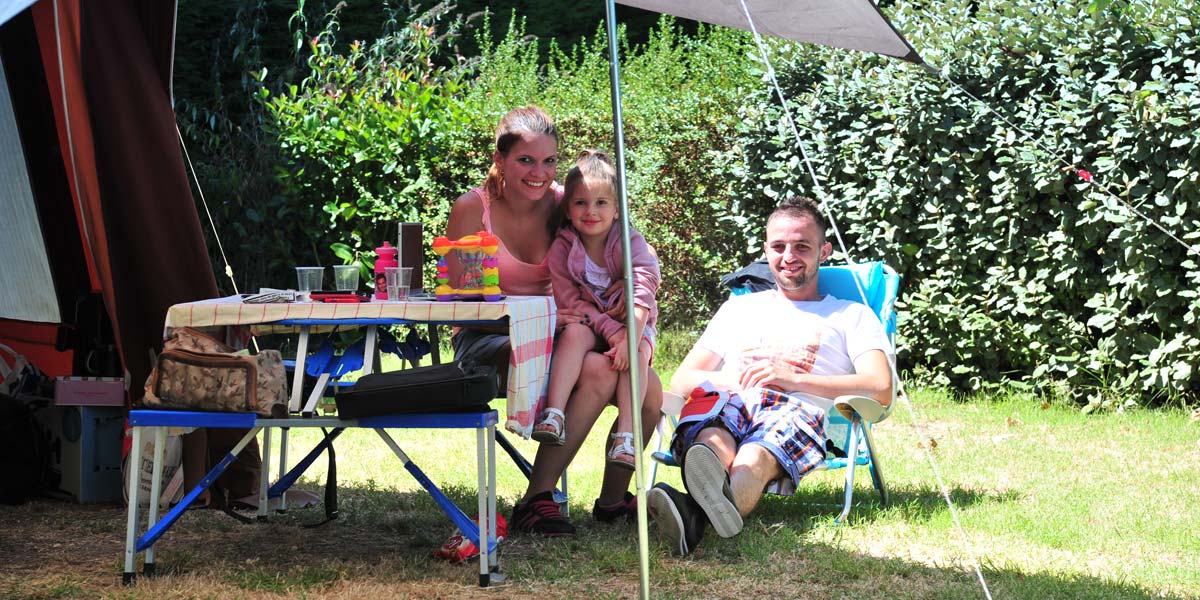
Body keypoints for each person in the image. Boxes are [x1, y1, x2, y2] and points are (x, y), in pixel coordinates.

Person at [446, 106, 663, 536]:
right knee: (602, 373)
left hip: (567, 331)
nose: (539, 173)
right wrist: (543, 317)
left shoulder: (569, 203)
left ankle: (612, 500)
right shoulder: (473, 209)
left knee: (649, 389)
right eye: (525, 160)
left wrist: (625, 309)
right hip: (491, 334)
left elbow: (617, 252)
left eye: (549, 161)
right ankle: (537, 499)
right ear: (500, 159)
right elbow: (463, 306)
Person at [646, 196, 893, 555]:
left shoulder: (851, 315)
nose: (788, 256)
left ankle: (692, 512)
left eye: (801, 246)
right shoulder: (739, 309)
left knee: (755, 457)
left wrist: (792, 379)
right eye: (778, 246)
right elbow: (684, 378)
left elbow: (880, 386)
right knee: (713, 439)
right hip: (730, 399)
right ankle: (695, 513)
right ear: (766, 250)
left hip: (794, 411)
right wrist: (738, 382)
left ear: (823, 252)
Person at [536, 150, 660, 474]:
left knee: (636, 356)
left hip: (633, 322)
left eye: (601, 203)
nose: (591, 211)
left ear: (618, 209)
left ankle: (627, 437)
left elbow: (644, 289)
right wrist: (610, 331)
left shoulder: (631, 242)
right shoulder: (563, 246)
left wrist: (628, 337)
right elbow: (569, 302)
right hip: (592, 324)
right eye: (580, 203)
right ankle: (554, 414)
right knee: (575, 331)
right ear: (568, 207)